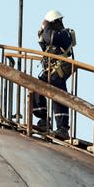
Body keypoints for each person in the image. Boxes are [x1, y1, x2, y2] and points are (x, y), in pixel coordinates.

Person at [32, 10, 76, 140]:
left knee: (58, 94)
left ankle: (63, 128)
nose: (60, 23)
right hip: (51, 69)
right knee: (36, 87)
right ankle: (43, 119)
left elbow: (51, 38)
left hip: (60, 69)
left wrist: (45, 27)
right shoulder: (49, 33)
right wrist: (43, 30)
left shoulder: (65, 34)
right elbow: (44, 41)